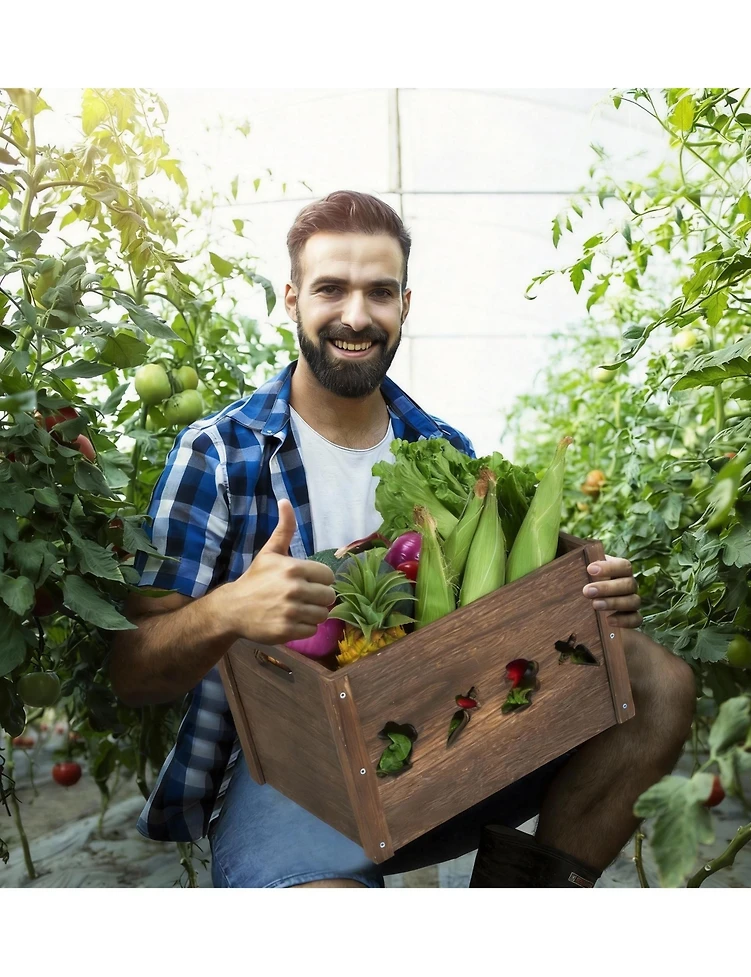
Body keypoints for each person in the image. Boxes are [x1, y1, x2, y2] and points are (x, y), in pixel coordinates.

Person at [109, 190, 695, 888]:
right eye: (331, 288)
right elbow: (131, 669)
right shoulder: (217, 453)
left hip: (447, 740)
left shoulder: (444, 451)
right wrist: (228, 611)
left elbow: (504, 617)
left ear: (404, 307)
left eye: (378, 292)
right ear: (292, 300)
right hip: (286, 781)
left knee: (655, 679)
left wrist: (585, 585)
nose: (356, 315)